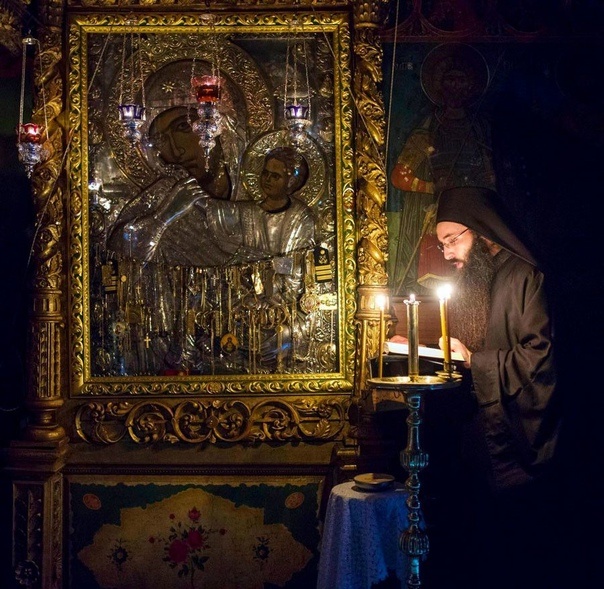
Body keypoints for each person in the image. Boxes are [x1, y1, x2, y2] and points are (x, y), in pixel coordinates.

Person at [390, 185, 563, 588]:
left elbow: (540, 357)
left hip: (514, 440)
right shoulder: (476, 279)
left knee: (517, 556)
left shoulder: (525, 275)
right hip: (475, 436)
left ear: (481, 229)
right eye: (442, 244)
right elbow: (466, 348)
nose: (447, 253)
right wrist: (419, 351)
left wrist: (474, 361)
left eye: (452, 240)